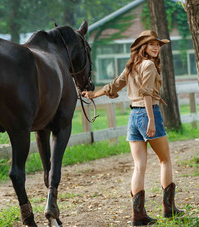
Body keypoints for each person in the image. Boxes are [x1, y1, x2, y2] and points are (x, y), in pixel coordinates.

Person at [82, 30, 183, 226]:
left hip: (133, 117)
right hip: (148, 114)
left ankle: (138, 216)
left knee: (139, 166)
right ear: (143, 47)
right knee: (165, 160)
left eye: (157, 45)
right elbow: (146, 93)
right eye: (151, 44)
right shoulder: (149, 65)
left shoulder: (131, 67)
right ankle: (169, 209)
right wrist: (152, 121)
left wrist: (94, 94)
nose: (155, 48)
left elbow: (114, 86)